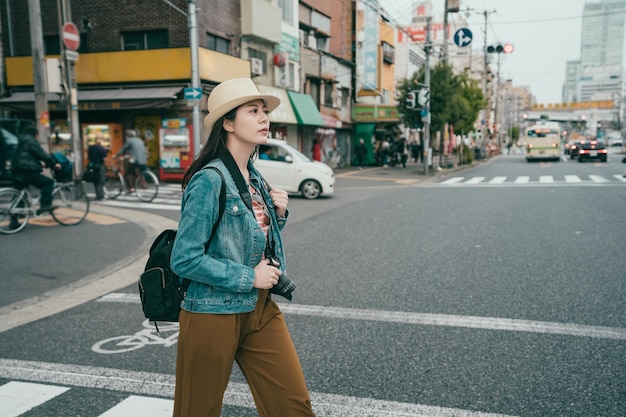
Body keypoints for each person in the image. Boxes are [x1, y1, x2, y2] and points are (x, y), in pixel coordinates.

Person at [170, 77, 316, 417]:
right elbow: (185, 258)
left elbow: (243, 239)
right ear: (229, 123)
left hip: (260, 310)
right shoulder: (209, 179)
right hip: (212, 312)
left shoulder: (254, 175)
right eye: (253, 111)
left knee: (293, 407)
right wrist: (248, 277)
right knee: (198, 411)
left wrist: (277, 215)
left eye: (264, 111)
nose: (264, 118)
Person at [11, 126, 61, 214]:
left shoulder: (21, 141)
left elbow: (27, 157)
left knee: (19, 194)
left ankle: (14, 220)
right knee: (48, 183)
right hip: (27, 171)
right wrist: (54, 163)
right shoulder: (31, 141)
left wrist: (40, 164)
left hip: (17, 170)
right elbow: (41, 154)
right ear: (35, 134)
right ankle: (45, 205)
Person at [87, 133, 109, 200]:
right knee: (100, 181)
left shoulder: (91, 147)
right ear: (101, 139)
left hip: (92, 166)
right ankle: (100, 196)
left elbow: (89, 157)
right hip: (100, 166)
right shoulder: (102, 149)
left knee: (95, 181)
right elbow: (104, 159)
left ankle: (97, 195)